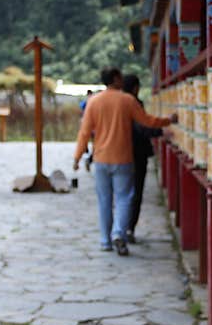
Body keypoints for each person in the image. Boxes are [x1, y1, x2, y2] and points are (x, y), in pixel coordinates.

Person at [73, 67, 174, 256]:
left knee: (104, 200)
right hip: (123, 158)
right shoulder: (127, 100)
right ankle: (119, 232)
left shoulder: (93, 102)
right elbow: (147, 121)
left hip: (101, 159)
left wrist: (78, 157)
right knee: (124, 198)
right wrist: (167, 121)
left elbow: (84, 132)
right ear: (116, 79)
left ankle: (105, 241)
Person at [122, 74, 163, 244]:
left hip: (122, 153)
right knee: (135, 193)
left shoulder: (120, 102)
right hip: (137, 154)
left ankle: (121, 229)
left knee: (123, 193)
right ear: (136, 87)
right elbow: (143, 127)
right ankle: (128, 228)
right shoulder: (134, 103)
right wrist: (162, 130)